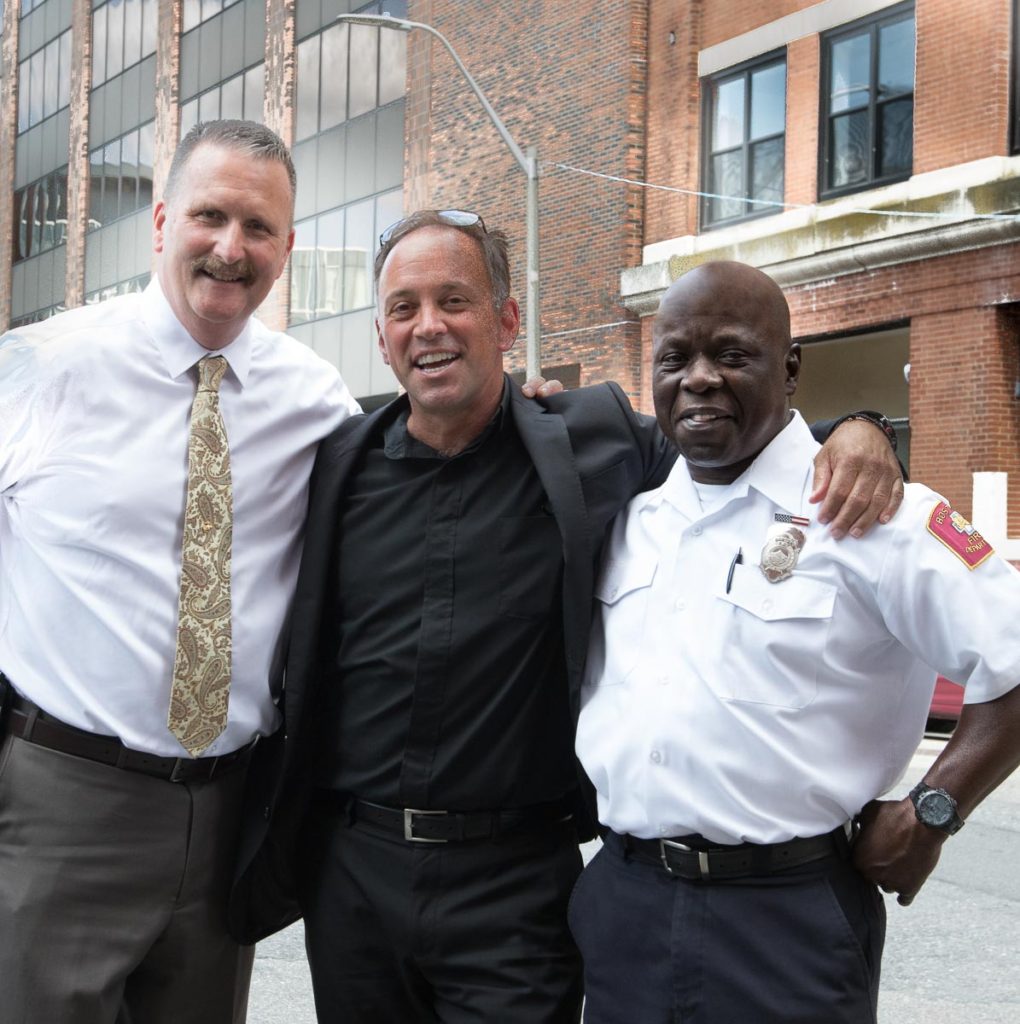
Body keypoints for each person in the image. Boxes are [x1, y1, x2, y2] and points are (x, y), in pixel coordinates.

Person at [229, 211, 905, 1023]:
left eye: (455, 300)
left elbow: (740, 433)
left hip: (514, 885)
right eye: (404, 308)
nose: (429, 326)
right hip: (354, 877)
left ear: (508, 320)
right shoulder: (340, 461)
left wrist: (863, 430)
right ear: (381, 336)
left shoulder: (597, 440)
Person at [570, 260, 1020, 1024]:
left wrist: (933, 810)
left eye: (732, 354)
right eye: (675, 359)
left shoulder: (877, 515)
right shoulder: (628, 520)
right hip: (626, 905)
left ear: (791, 367)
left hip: (785, 921)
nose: (700, 379)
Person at [0, 120, 360, 1024]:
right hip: (61, 799)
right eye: (210, 216)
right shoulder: (42, 367)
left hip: (229, 811)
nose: (231, 249)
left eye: (261, 227)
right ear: (162, 220)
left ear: (286, 246)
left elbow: (422, 484)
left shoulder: (316, 402)